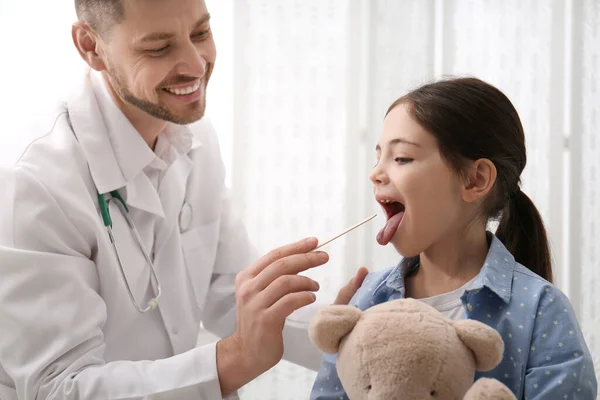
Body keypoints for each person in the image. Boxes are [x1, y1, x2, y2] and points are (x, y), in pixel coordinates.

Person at [0, 0, 368, 399]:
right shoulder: (32, 182)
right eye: (159, 48)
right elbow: (59, 388)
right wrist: (236, 358)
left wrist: (346, 333)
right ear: (91, 46)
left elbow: (229, 292)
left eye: (201, 34)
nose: (197, 65)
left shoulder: (194, 137)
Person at [311, 77, 597, 400]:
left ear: (476, 179)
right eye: (378, 157)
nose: (375, 173)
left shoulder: (541, 311)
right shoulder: (366, 301)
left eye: (401, 158)